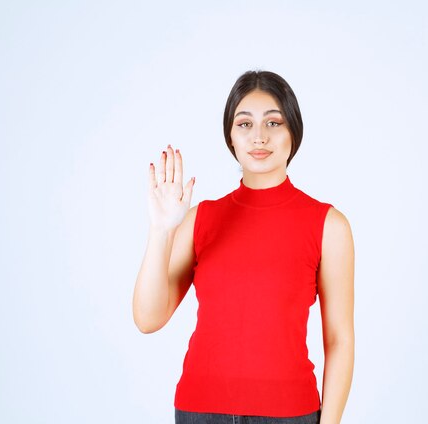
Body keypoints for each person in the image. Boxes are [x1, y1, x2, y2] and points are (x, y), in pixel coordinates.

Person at [133, 70, 354, 424]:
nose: (259, 137)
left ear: (293, 133)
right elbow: (147, 318)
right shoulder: (200, 218)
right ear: (230, 137)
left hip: (290, 414)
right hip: (199, 412)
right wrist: (161, 230)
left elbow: (339, 339)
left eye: (273, 122)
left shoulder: (329, 225)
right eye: (244, 124)